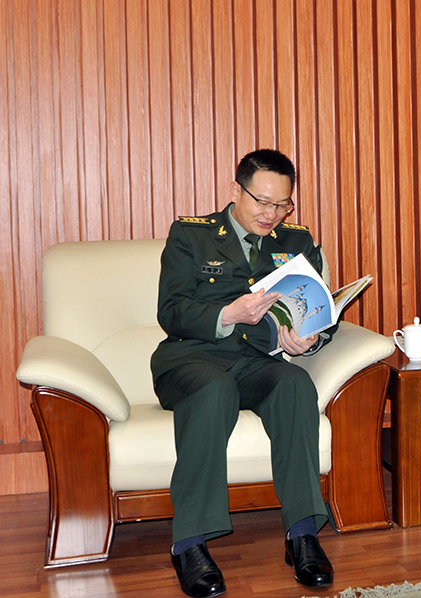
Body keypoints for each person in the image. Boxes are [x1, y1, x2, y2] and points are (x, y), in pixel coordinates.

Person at [151, 149, 336, 597]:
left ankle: (302, 533)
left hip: (256, 362)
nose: (271, 214)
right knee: (215, 389)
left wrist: (309, 339)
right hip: (190, 359)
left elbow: (319, 310)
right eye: (262, 201)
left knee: (295, 383)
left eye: (282, 204)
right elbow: (170, 311)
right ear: (236, 190)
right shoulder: (190, 235)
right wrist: (228, 314)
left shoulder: (296, 242)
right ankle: (189, 542)